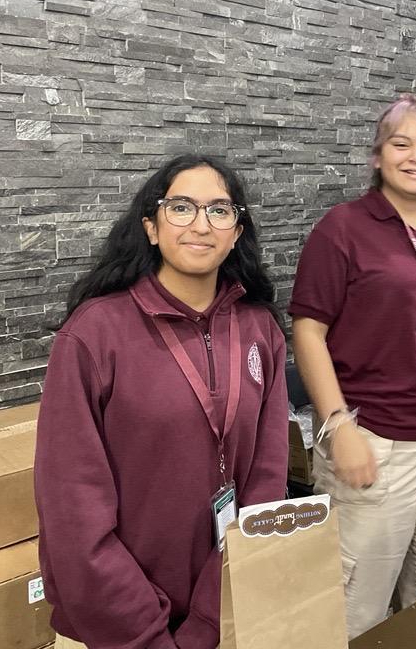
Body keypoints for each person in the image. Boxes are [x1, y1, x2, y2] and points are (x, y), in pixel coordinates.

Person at [34, 154, 288, 649]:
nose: (201, 225)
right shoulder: (94, 333)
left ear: (236, 233)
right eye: (182, 207)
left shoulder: (260, 329)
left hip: (230, 607)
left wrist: (212, 618)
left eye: (219, 210)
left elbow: (266, 479)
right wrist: (145, 634)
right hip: (120, 625)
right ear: (151, 227)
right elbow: (73, 510)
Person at [289, 93, 416, 639]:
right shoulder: (343, 228)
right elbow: (308, 331)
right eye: (400, 144)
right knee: (356, 604)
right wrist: (338, 427)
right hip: (376, 440)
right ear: (378, 156)